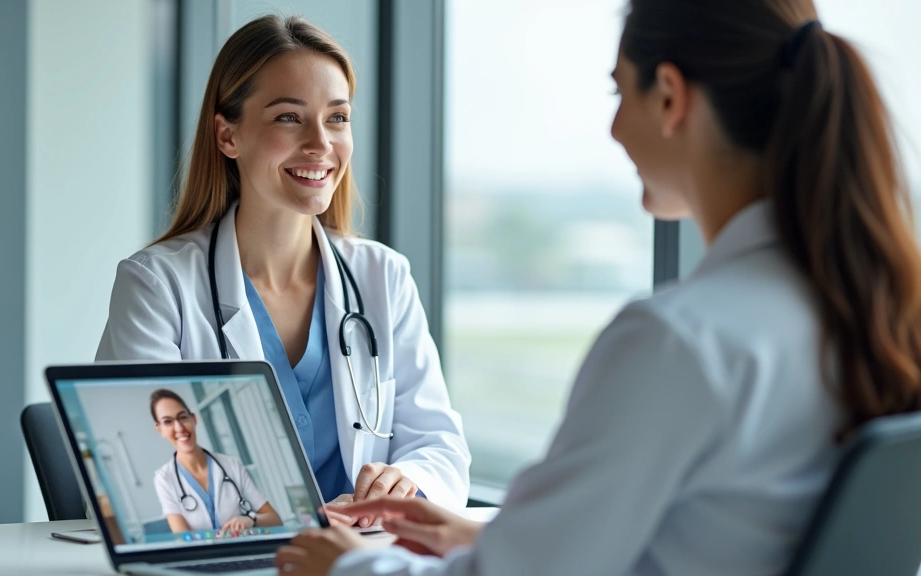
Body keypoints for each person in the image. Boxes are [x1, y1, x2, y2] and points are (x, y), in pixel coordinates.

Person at [274, 0, 921, 574]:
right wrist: (495, 533)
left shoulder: (678, 341)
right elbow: (724, 531)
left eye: (619, 94)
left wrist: (353, 568)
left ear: (669, 96)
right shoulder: (865, 308)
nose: (614, 129)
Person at [95, 15, 469, 523]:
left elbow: (440, 447)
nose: (320, 143)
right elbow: (139, 480)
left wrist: (408, 481)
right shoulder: (158, 285)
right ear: (228, 136)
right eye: (289, 118)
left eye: (337, 118)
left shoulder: (383, 276)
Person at [150, 389, 282, 536]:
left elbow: (275, 519)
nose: (179, 428)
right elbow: (183, 539)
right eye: (168, 422)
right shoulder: (164, 479)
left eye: (183, 417)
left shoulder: (231, 466)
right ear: (160, 429)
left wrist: (250, 519)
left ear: (193, 419)